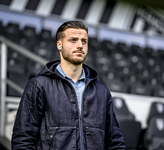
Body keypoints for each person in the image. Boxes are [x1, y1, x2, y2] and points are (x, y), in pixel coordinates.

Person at [12, 20, 126, 150]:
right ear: (59, 45)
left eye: (84, 41)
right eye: (73, 40)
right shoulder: (39, 85)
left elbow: (115, 141)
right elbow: (22, 140)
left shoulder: (102, 91)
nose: (80, 45)